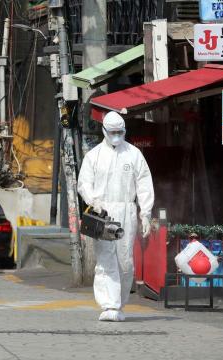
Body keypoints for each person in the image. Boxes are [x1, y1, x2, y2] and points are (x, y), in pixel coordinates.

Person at [77, 111, 154, 322]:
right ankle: (109, 304)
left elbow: (144, 184)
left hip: (127, 211)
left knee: (125, 260)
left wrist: (145, 213)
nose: (117, 135)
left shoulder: (134, 154)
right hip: (103, 213)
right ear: (104, 131)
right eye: (113, 132)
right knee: (105, 258)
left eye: (120, 132)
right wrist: (94, 201)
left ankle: (119, 303)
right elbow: (84, 183)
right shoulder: (93, 156)